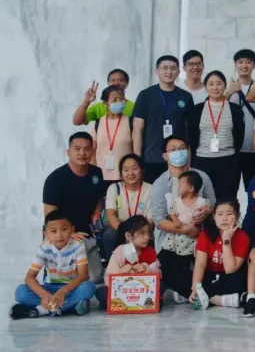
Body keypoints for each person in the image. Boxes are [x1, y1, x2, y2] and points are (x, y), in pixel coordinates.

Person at [149, 136, 215, 300]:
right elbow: (159, 220)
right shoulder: (159, 184)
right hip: (171, 238)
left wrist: (206, 213)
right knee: (169, 271)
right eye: (172, 150)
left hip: (201, 234)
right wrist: (185, 229)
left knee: (211, 266)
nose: (178, 152)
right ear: (165, 156)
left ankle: (200, 292)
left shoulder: (201, 177)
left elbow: (213, 204)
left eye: (181, 148)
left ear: (188, 151)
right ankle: (202, 295)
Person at [42, 132, 106, 282]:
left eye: (87, 149)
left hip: (85, 236)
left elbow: (99, 197)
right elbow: (50, 219)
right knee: (63, 280)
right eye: (77, 149)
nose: (82, 153)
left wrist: (97, 213)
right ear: (68, 152)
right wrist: (69, 234)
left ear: (92, 151)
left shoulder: (96, 173)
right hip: (62, 235)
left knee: (95, 278)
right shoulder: (55, 180)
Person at [9, 210, 96, 319]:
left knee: (88, 287)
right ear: (46, 234)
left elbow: (84, 275)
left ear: (72, 229)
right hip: (49, 289)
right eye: (53, 231)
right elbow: (29, 277)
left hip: (71, 289)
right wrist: (44, 295)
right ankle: (69, 306)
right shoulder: (44, 248)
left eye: (64, 229)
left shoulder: (78, 245)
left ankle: (42, 310)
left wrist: (63, 292)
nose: (59, 235)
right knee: (21, 292)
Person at [132, 55, 195, 183]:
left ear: (178, 72)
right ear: (157, 71)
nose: (169, 72)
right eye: (165, 68)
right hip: (152, 158)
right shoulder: (145, 95)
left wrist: (189, 161)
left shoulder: (186, 96)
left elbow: (189, 132)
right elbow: (137, 129)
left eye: (173, 68)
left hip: (178, 159)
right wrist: (137, 160)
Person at [188, 71, 245, 204]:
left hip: (228, 161)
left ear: (225, 86)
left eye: (219, 84)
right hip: (202, 161)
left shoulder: (235, 109)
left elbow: (239, 136)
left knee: (227, 201)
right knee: (203, 201)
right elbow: (191, 137)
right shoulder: (196, 110)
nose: (215, 87)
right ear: (205, 87)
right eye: (211, 84)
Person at [190, 200, 249, 309]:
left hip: (229, 277)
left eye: (229, 214)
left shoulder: (243, 237)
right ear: (214, 216)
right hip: (210, 275)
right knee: (190, 279)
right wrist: (195, 287)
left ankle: (206, 297)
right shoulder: (205, 234)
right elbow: (200, 264)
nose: (224, 218)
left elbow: (230, 270)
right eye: (220, 214)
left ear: (238, 215)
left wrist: (226, 240)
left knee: (239, 279)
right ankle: (219, 299)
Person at [230, 49, 255, 189]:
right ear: (235, 64)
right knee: (230, 189)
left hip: (254, 148)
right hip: (232, 148)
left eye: (248, 62)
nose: (244, 65)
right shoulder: (229, 86)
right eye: (240, 62)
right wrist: (229, 91)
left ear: (254, 65)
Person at [103, 154, 154, 259]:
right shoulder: (114, 188)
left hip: (143, 232)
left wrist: (137, 234)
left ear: (142, 171)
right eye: (126, 170)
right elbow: (110, 215)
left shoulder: (151, 189)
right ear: (121, 174)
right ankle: (112, 264)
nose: (130, 173)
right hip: (120, 231)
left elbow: (150, 220)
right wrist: (126, 233)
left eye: (134, 168)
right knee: (109, 234)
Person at [91, 85, 134, 181]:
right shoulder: (98, 123)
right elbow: (93, 151)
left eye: (121, 99)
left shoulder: (131, 122)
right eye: (114, 100)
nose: (119, 102)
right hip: (102, 177)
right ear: (105, 103)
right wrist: (93, 175)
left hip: (126, 178)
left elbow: (137, 150)